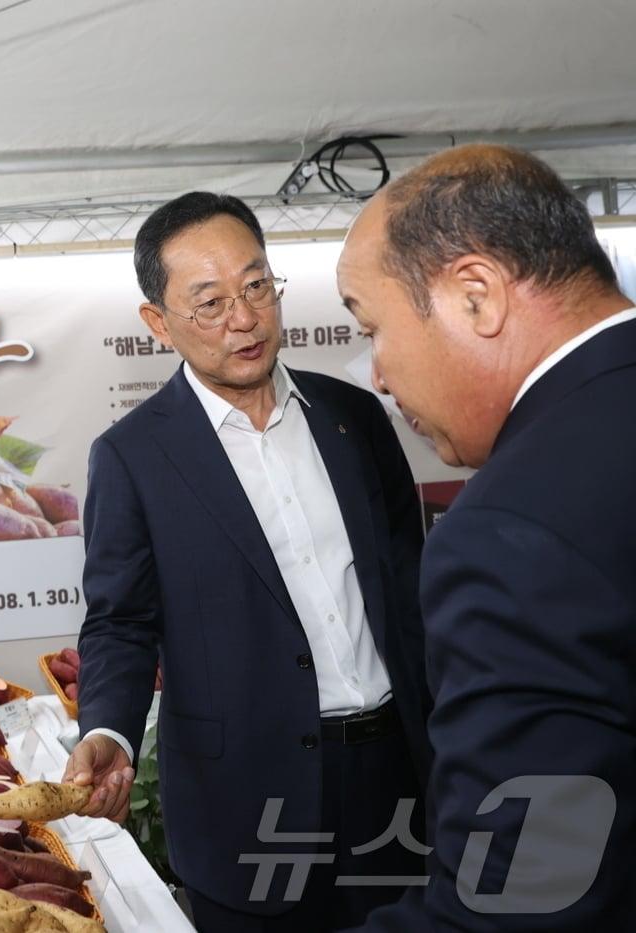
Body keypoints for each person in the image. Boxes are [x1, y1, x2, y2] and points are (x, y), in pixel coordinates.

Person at [66, 192, 432, 932]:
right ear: (157, 321)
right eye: (209, 302)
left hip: (396, 773)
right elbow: (120, 621)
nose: (244, 317)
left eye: (257, 286)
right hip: (250, 798)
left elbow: (412, 583)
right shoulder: (134, 457)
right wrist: (107, 728)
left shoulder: (354, 418)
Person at [337, 145, 636, 930]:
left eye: (373, 328)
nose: (378, 373)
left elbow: (523, 898)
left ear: (476, 295)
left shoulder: (509, 529)